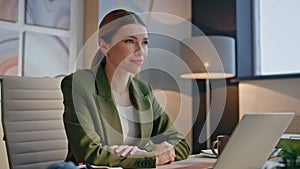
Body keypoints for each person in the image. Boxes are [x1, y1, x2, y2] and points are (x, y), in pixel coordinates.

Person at [61, 9, 190, 168]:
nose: (140, 50)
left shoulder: (144, 90)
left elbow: (182, 145)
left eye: (145, 42)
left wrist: (142, 152)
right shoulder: (78, 84)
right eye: (130, 41)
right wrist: (150, 157)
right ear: (104, 46)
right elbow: (90, 154)